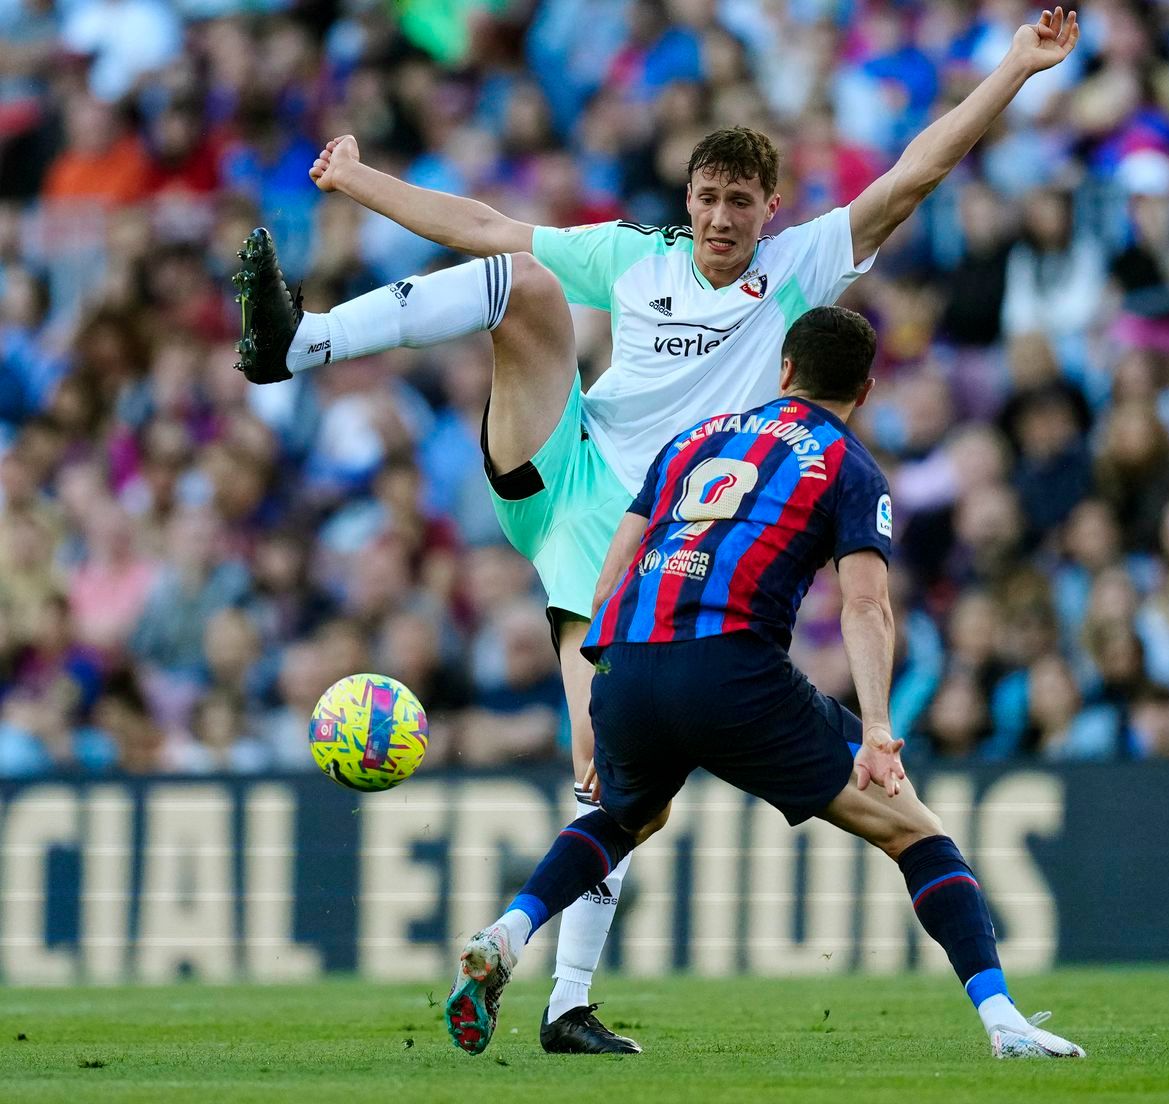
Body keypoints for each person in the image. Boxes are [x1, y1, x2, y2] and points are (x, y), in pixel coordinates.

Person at [232, 9, 1081, 1053]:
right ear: (686, 201)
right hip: (566, 472)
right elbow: (482, 223)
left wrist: (1011, 70)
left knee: (617, 786)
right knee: (521, 277)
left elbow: (910, 175)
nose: (722, 218)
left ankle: (562, 1003)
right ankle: (300, 342)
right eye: (707, 198)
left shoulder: (802, 269)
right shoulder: (634, 257)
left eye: (739, 201)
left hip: (645, 544)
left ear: (770, 209)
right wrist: (359, 184)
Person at [442, 307, 1086, 1060]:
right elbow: (868, 606)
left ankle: (507, 933)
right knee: (916, 832)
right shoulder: (850, 467)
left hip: (628, 658)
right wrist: (877, 729)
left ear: (784, 370)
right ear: (867, 391)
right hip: (729, 666)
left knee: (624, 818)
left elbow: (616, 562)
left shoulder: (697, 439)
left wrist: (598, 679)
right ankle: (1004, 1020)